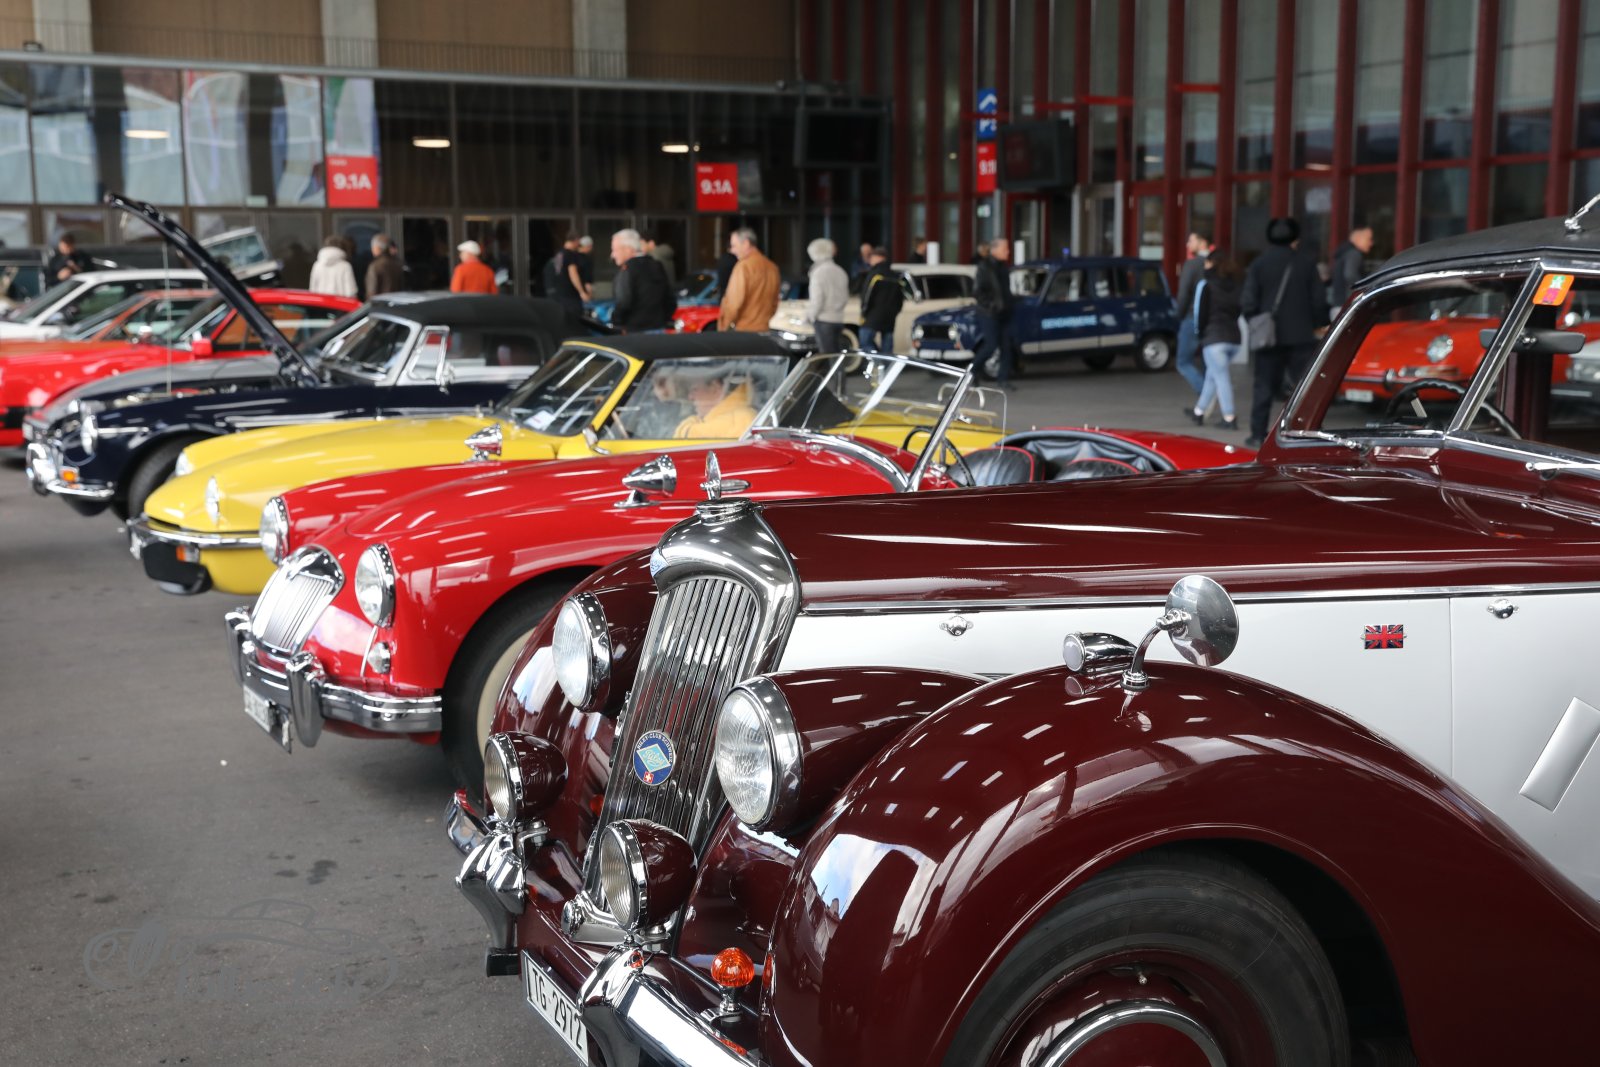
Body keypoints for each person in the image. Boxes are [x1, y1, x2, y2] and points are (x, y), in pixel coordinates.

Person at [1240, 217, 1328, 447]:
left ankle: (1257, 434)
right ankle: (1304, 432)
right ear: (1295, 239)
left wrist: (1257, 323)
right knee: (1303, 388)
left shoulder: (1259, 264)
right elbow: (1318, 300)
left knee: (1263, 387)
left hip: (1268, 338)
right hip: (1301, 336)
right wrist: (1319, 322)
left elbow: (1248, 301)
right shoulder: (1306, 263)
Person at [1187, 250, 1243, 431]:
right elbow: (1239, 310)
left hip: (1214, 338)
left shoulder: (1206, 284)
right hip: (1234, 338)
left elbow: (1200, 313)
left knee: (1221, 377)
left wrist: (1199, 333)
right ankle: (1199, 412)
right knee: (1213, 375)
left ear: (1212, 263)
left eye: (1206, 262)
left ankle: (1229, 417)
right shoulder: (1236, 284)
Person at [1173, 230, 1214, 398]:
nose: (1187, 244)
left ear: (1202, 242)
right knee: (1206, 362)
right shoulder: (1217, 263)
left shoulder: (1192, 265)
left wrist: (1179, 315)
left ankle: (1206, 394)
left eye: (1191, 240)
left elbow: (1183, 294)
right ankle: (1205, 404)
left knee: (1183, 362)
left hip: (1192, 317)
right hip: (1213, 319)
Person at [972, 237, 1017, 387]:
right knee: (991, 346)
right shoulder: (984, 267)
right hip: (989, 314)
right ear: (995, 250)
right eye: (1005, 249)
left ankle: (1003, 380)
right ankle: (972, 373)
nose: (1008, 252)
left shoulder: (1004, 267)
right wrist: (992, 306)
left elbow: (1004, 290)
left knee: (1006, 347)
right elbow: (977, 292)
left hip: (1005, 313)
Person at [717, 227, 781, 332]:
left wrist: (723, 327)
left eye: (734, 246)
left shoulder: (743, 267)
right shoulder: (772, 267)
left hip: (744, 330)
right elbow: (775, 303)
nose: (732, 250)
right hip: (765, 329)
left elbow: (734, 303)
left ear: (746, 243)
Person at [611, 228, 674, 332]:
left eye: (615, 250)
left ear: (628, 249)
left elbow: (623, 302)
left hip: (633, 331)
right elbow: (670, 300)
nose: (612, 255)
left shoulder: (628, 269)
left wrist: (616, 323)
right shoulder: (656, 265)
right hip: (659, 329)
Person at [673, 366, 758, 438]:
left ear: (715, 387)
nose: (690, 397)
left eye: (694, 389)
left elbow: (688, 438)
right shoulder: (736, 416)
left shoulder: (739, 419)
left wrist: (687, 427)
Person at [805, 237, 850, 352]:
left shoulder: (818, 272)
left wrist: (810, 316)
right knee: (836, 356)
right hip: (839, 319)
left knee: (826, 356)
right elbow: (845, 297)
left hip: (824, 320)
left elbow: (817, 300)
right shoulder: (840, 271)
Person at [858, 246, 902, 353]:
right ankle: (885, 362)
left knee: (864, 341)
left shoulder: (875, 274)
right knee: (887, 348)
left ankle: (877, 361)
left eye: (872, 257)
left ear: (879, 257)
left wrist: (864, 312)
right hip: (890, 317)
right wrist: (894, 312)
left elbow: (866, 295)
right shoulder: (896, 276)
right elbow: (900, 299)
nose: (870, 260)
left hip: (873, 315)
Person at [1329, 224, 1374, 316]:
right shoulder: (1354, 254)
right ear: (1358, 238)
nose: (1371, 243)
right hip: (1348, 308)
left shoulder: (1343, 253)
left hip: (1337, 306)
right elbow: (1350, 275)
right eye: (1369, 239)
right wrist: (1365, 290)